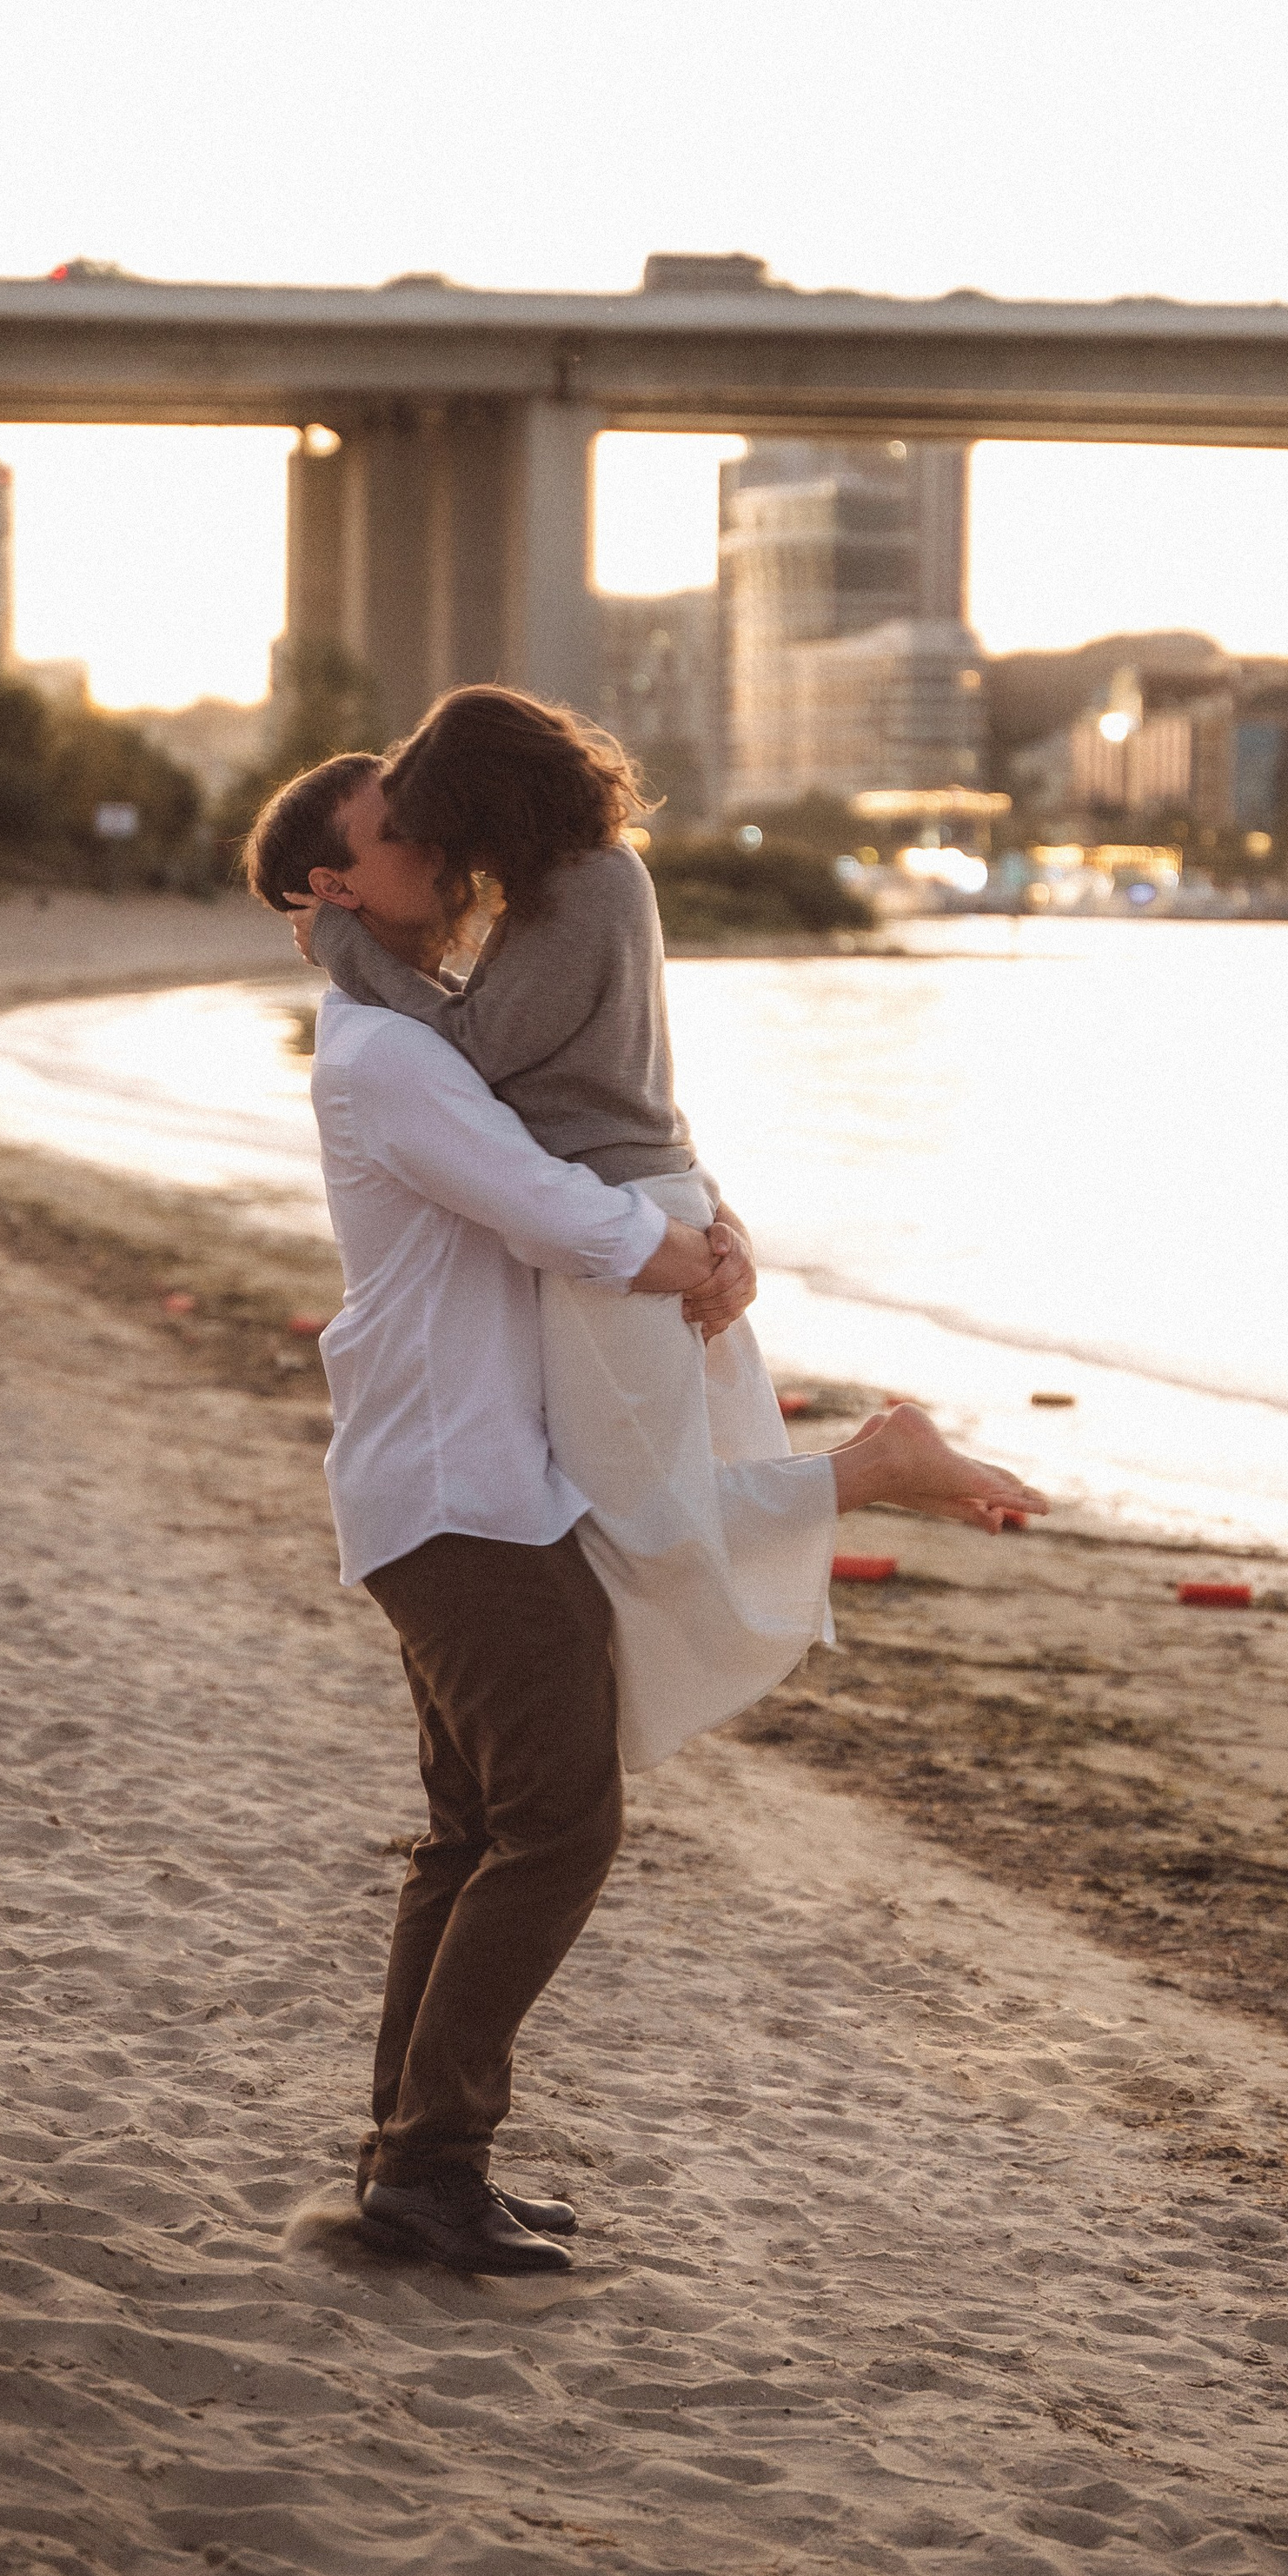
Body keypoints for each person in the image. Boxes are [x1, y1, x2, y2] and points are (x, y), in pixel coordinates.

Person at [246, 750, 1041, 2278]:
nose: (431, 841)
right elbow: (555, 1207)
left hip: (471, 1478)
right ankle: (426, 2166)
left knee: (473, 1830)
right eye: (394, 833)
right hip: (455, 1493)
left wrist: (706, 1227)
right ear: (336, 886)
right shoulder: (384, 1060)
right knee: (557, 1822)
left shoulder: (421, 1033)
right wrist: (692, 1261)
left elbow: (584, 1127)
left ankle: (415, 2160)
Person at [297, 686, 1044, 1773]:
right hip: (638, 1204)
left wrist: (342, 950)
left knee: (647, 1513)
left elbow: (478, 1051)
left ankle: (879, 1466)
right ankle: (872, 1468)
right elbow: (570, 1075)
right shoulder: (568, 886)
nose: (441, 850)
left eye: (439, 821)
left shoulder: (589, 886)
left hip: (628, 1223)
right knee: (632, 1506)